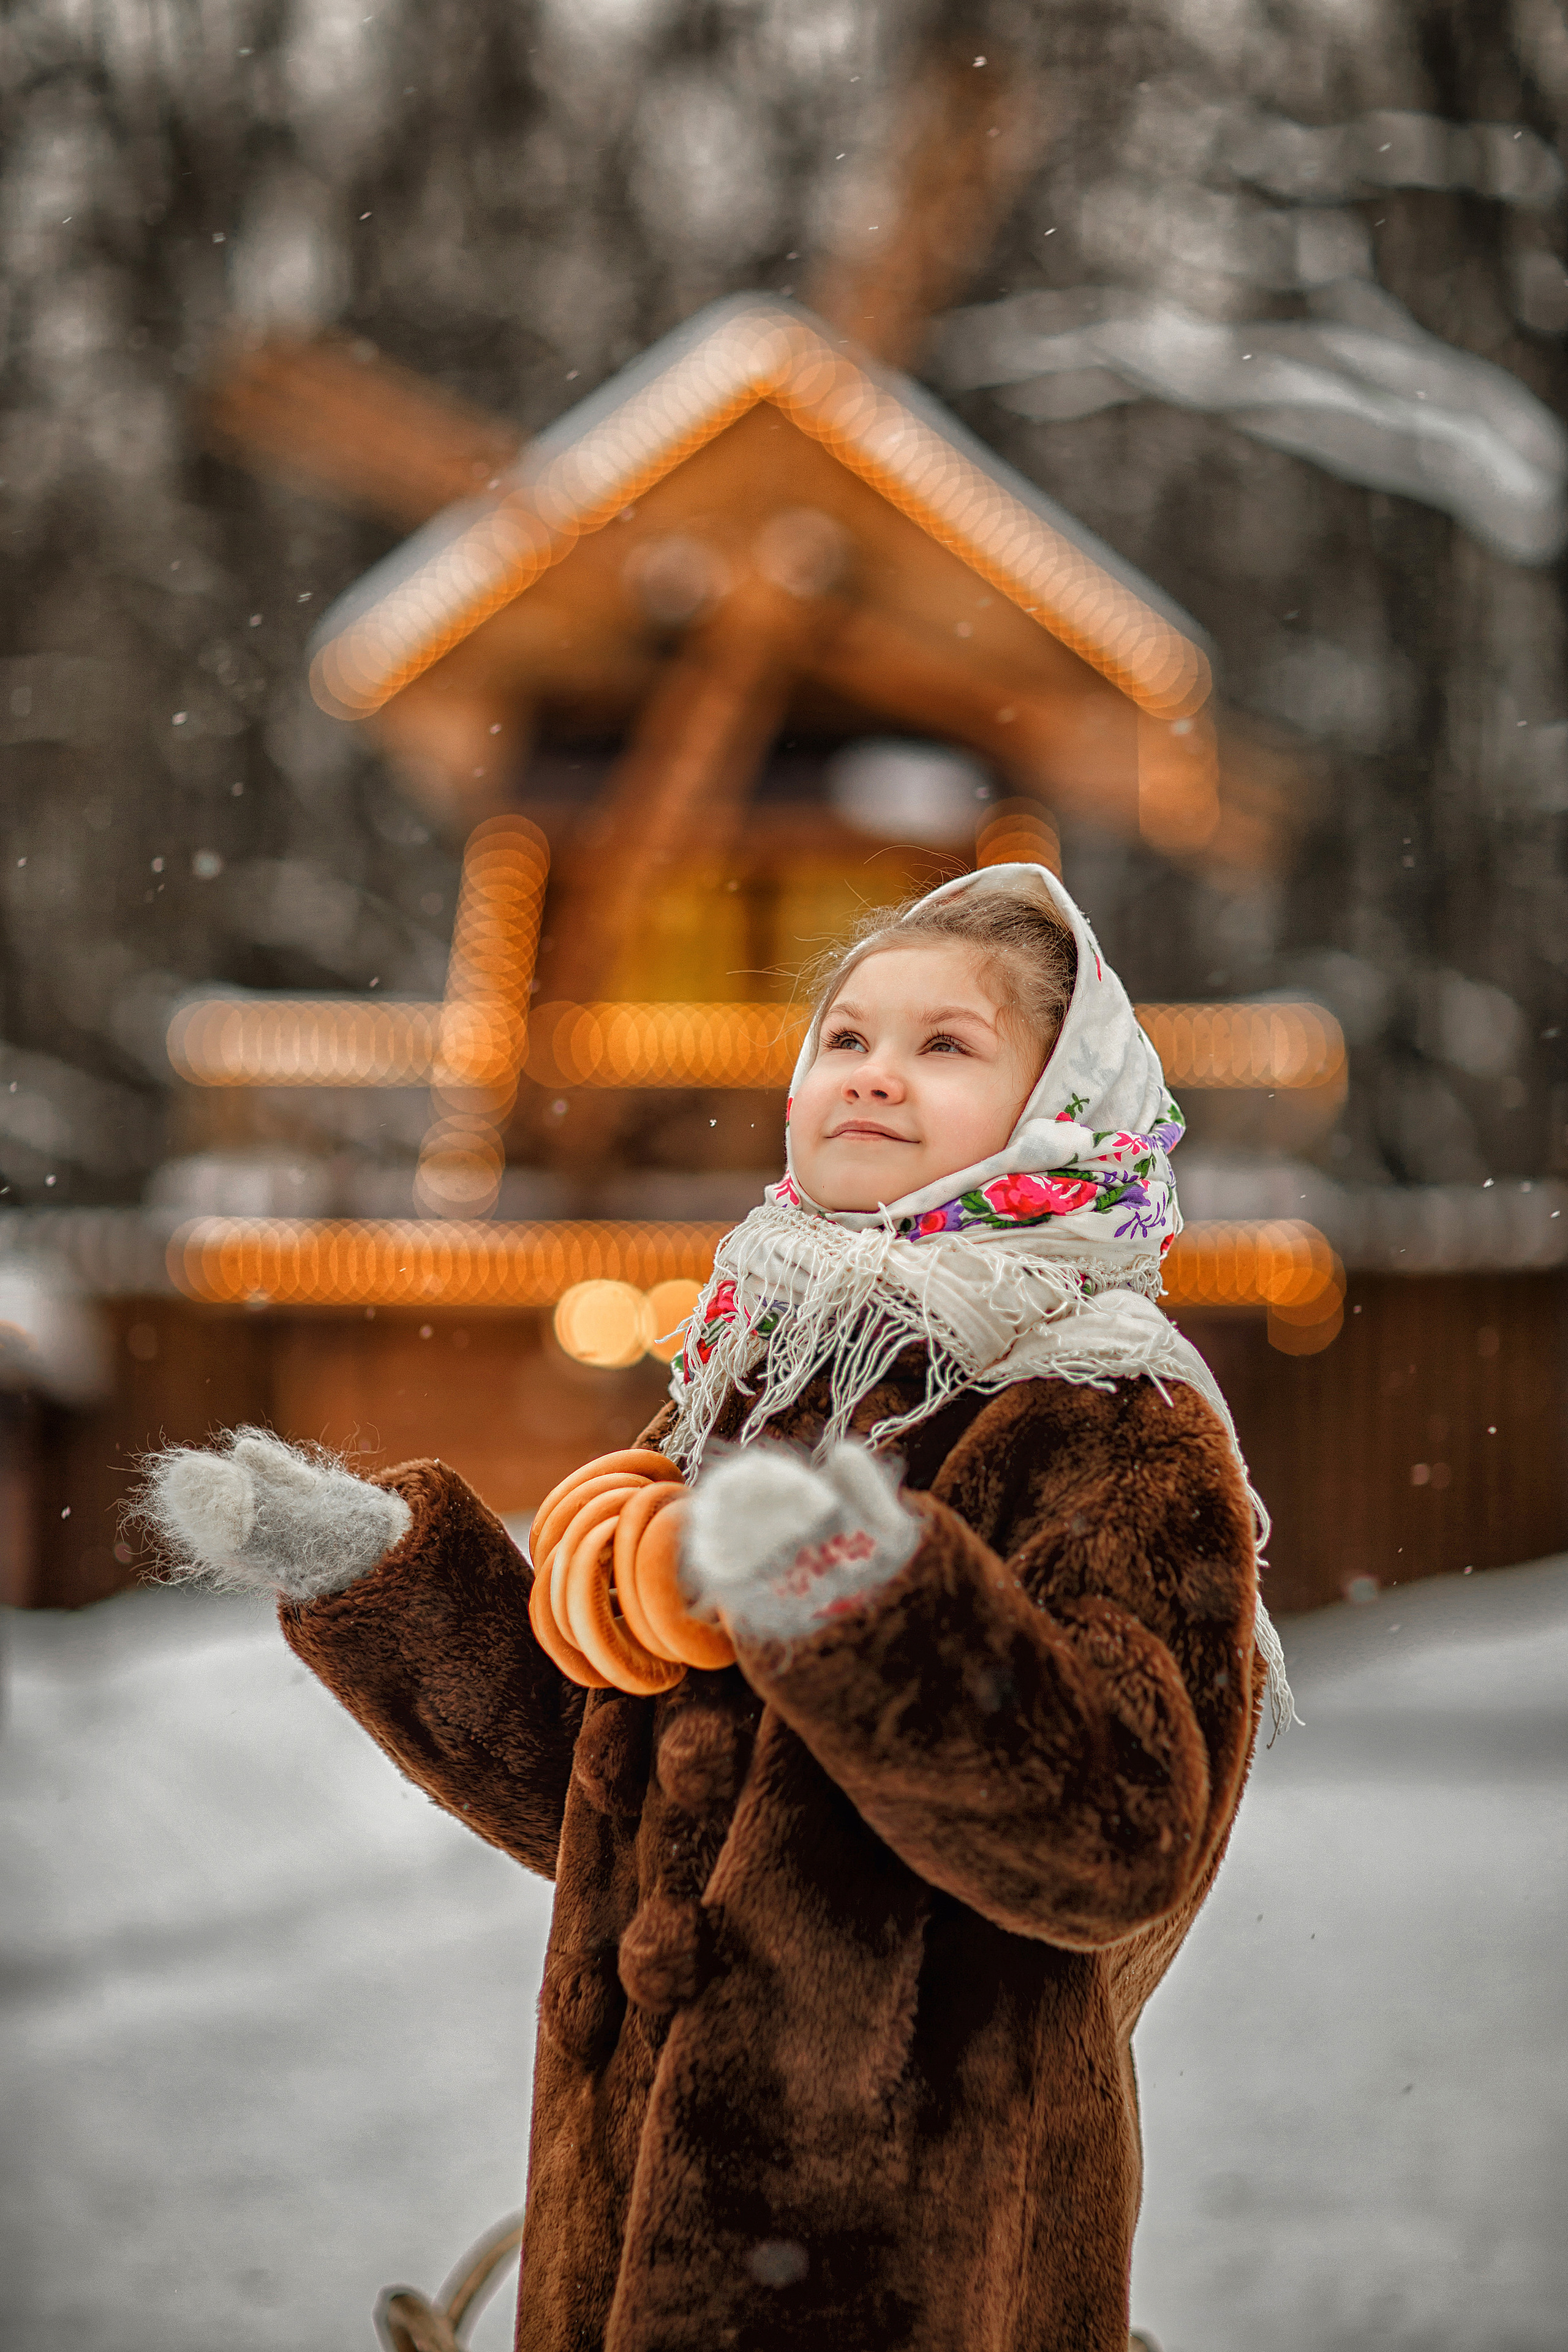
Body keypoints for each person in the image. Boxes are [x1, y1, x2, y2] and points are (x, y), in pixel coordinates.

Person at [140, 860, 1292, 2352]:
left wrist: (863, 1602)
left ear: (1068, 1110)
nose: (873, 1075)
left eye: (946, 1045)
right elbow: (611, 1789)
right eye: (844, 1038)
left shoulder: (1108, 1420)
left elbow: (1116, 1837)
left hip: (905, 2272)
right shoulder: (753, 1391)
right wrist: (383, 1581)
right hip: (621, 2254)